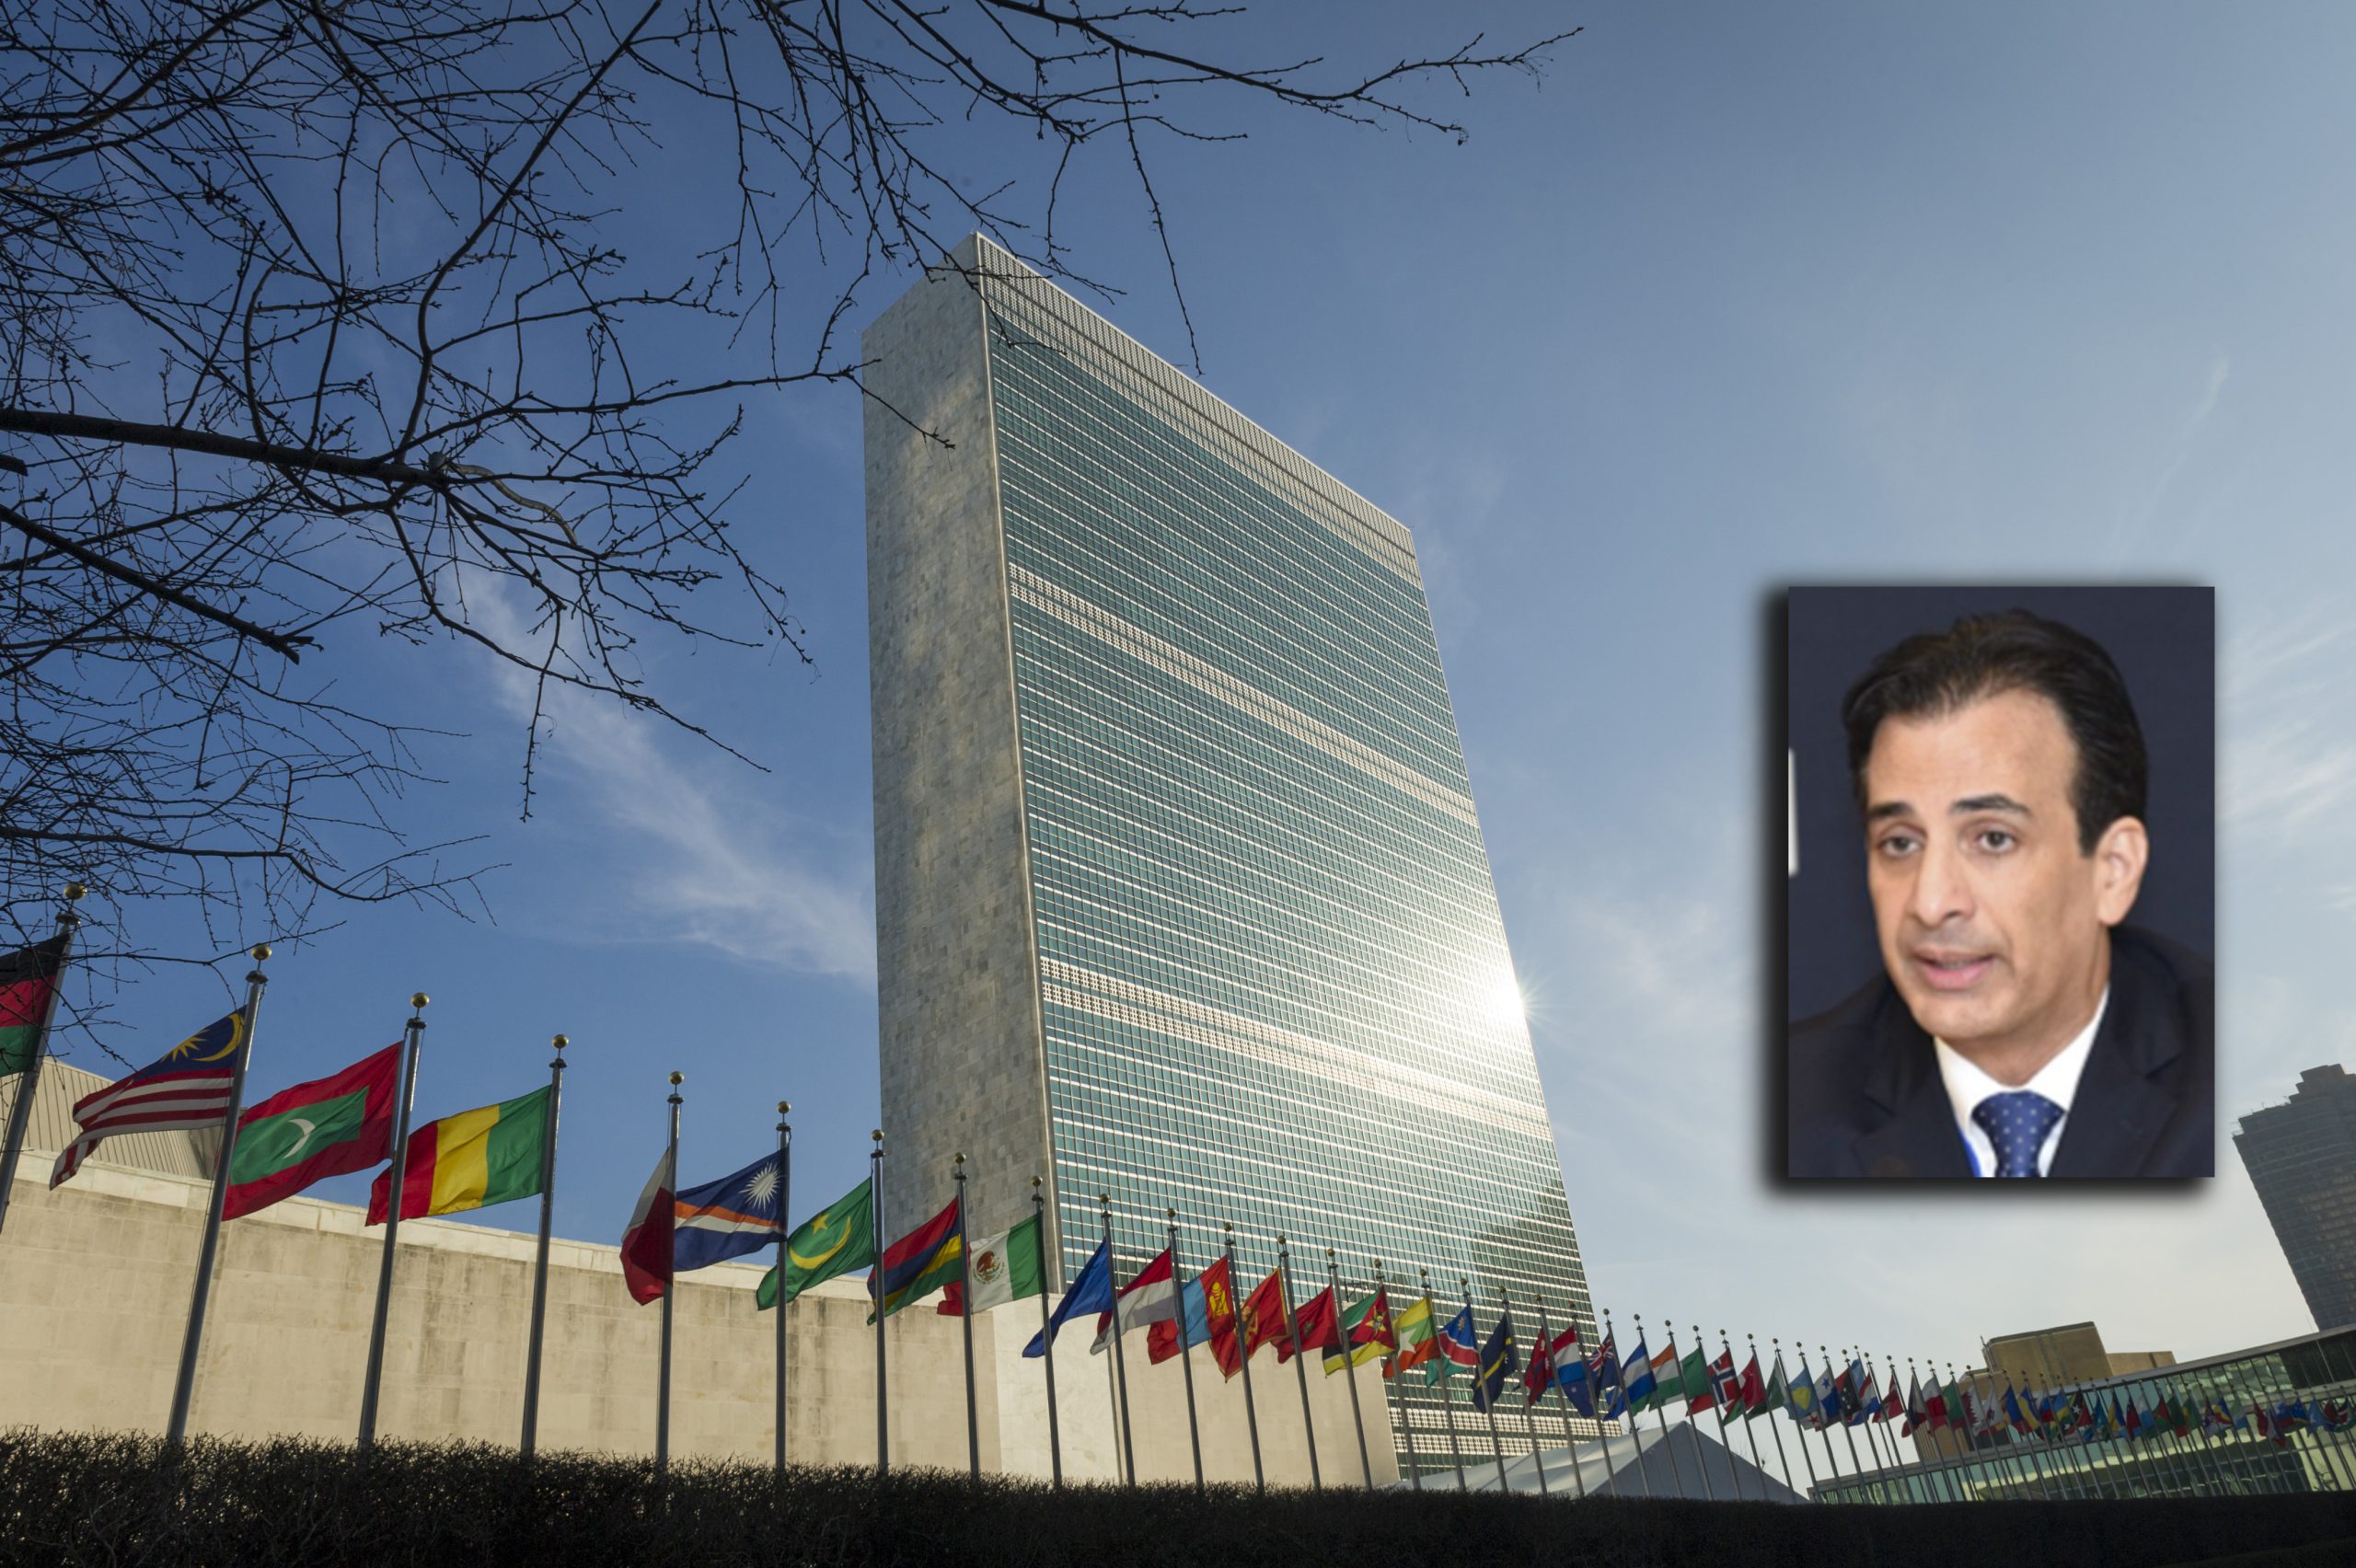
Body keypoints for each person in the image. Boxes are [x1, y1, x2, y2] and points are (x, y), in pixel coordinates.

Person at [1787, 609, 2212, 1179]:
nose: (1931, 903)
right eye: (1900, 843)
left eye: (1992, 838)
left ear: (2113, 871)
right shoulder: (1785, 1108)